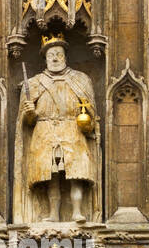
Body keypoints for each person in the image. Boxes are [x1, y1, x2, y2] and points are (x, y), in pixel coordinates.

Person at [18, 33, 98, 222]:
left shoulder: (81, 79)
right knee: (51, 175)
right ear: (45, 58)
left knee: (75, 174)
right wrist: (30, 113)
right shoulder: (34, 83)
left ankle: (77, 211)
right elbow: (26, 123)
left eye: (58, 54)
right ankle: (53, 214)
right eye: (50, 54)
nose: (54, 58)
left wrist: (87, 120)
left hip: (72, 129)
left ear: (65, 56)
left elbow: (91, 110)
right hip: (45, 132)